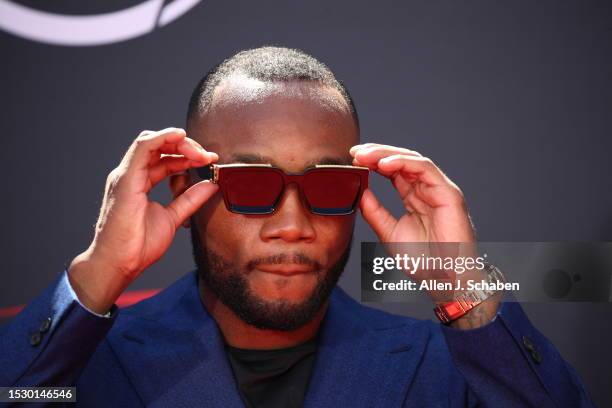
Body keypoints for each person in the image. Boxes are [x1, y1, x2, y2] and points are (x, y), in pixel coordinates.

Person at [0, 46, 594, 407]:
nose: (293, 225)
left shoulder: (446, 367)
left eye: (328, 188)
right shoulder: (79, 364)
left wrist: (462, 284)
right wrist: (97, 276)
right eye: (252, 185)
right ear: (183, 187)